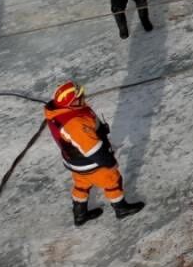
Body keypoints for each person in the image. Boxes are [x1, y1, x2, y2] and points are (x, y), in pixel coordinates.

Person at [44, 80, 145, 226]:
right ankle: (121, 208)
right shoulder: (75, 124)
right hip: (91, 163)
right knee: (112, 181)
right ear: (72, 102)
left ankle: (80, 215)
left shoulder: (60, 112)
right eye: (80, 96)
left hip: (76, 162)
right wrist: (109, 162)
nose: (84, 97)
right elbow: (92, 149)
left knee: (81, 184)